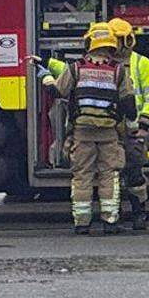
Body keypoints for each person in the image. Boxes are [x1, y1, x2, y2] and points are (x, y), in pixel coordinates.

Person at [44, 22, 137, 233]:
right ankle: (110, 221)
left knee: (82, 176)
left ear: (89, 43)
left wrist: (45, 77)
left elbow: (58, 92)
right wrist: (132, 125)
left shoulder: (76, 68)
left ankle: (82, 223)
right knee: (108, 175)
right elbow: (129, 104)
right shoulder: (118, 71)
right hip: (109, 133)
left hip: (82, 133)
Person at [107, 17, 149, 231]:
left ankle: (139, 213)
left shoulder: (141, 63)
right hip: (110, 128)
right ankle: (114, 216)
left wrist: (144, 125)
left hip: (134, 128)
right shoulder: (104, 63)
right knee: (111, 175)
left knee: (135, 173)